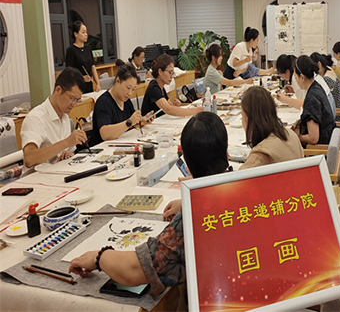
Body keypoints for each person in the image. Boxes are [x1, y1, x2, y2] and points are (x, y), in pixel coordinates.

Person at [69, 112, 230, 297]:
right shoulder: (241, 190)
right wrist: (186, 201)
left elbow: (138, 269)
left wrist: (99, 258)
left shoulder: (193, 216)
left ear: (187, 164)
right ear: (226, 155)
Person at [20, 67, 88, 175]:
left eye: (77, 100)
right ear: (58, 90)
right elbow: (30, 159)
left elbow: (66, 151)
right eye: (72, 98)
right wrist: (65, 143)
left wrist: (67, 154)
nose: (74, 104)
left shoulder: (65, 117)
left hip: (58, 173)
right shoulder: (36, 118)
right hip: (36, 178)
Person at [240, 86, 304, 169]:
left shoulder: (262, 153)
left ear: (249, 119)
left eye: (242, 116)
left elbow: (242, 175)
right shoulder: (290, 134)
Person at [90, 64, 151, 146]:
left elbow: (133, 124)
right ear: (118, 80)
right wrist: (129, 122)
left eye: (133, 89)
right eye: (128, 88)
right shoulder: (104, 103)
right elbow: (105, 134)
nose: (130, 93)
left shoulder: (126, 101)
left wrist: (142, 121)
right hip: (104, 148)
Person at [293, 55, 336, 146]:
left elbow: (313, 138)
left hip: (321, 148)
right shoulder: (317, 86)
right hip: (329, 138)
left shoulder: (311, 99)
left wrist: (297, 137)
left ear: (302, 77)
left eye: (295, 77)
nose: (295, 80)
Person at [65, 21, 100, 93]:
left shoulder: (88, 48)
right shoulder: (71, 50)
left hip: (89, 85)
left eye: (86, 32)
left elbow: (93, 67)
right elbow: (69, 73)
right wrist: (82, 78)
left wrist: (98, 84)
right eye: (83, 32)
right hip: (78, 86)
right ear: (76, 34)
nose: (86, 34)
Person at [311, 52, 340, 121]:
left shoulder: (327, 78)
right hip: (336, 111)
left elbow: (323, 99)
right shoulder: (329, 69)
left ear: (319, 64)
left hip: (337, 116)